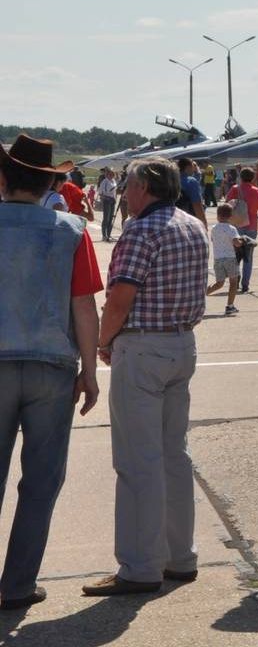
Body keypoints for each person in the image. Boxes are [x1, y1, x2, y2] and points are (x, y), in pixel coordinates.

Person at [84, 157, 210, 598]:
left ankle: (139, 567)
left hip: (142, 347)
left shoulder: (140, 230)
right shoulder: (193, 225)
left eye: (129, 186)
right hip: (181, 345)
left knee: (138, 461)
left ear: (145, 188)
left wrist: (103, 340)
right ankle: (181, 557)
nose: (124, 194)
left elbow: (120, 297)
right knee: (174, 455)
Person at [0, 133, 102, 612]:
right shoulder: (72, 230)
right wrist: (90, 370)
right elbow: (83, 305)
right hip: (51, 368)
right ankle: (18, 584)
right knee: (40, 482)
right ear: (48, 182)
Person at [224, 168, 258, 292]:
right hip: (252, 227)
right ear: (253, 178)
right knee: (248, 256)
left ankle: (236, 279)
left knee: (236, 255)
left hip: (237, 226)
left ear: (241, 177)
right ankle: (245, 284)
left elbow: (226, 204)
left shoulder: (235, 189)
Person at [205, 204, 243, 315]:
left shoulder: (214, 229)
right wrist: (241, 242)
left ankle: (202, 295)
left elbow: (213, 240)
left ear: (218, 216)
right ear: (230, 216)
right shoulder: (232, 229)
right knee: (233, 283)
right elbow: (236, 243)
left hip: (218, 259)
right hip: (230, 258)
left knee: (219, 283)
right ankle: (230, 305)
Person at [97, 168, 119, 241]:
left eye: (113, 174)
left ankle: (108, 235)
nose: (112, 175)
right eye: (110, 174)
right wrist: (104, 197)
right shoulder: (105, 181)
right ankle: (104, 235)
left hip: (112, 200)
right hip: (107, 200)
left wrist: (115, 198)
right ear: (107, 175)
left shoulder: (113, 181)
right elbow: (100, 192)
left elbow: (114, 191)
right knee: (106, 218)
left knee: (111, 218)